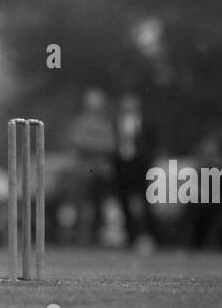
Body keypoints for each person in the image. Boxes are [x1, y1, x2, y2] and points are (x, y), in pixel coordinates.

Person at [67, 88, 118, 245]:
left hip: (100, 171)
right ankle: (77, 238)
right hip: (83, 171)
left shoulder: (106, 123)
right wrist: (97, 145)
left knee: (99, 207)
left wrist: (91, 144)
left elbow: (111, 145)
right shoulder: (79, 122)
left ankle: (96, 238)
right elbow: (78, 142)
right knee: (80, 205)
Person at [114, 91, 159, 252]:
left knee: (145, 201)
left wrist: (148, 159)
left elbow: (153, 142)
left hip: (140, 165)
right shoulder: (117, 122)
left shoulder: (145, 121)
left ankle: (152, 236)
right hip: (122, 164)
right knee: (124, 201)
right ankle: (130, 237)